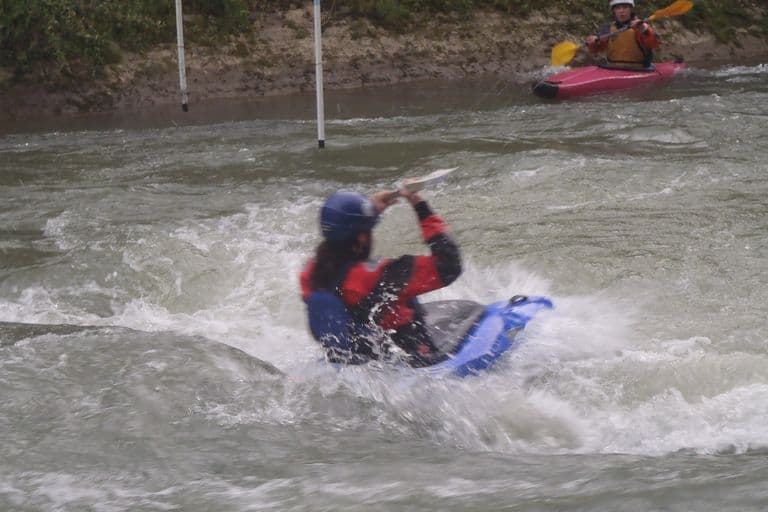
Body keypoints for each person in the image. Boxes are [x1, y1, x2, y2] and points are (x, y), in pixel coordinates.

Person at [300, 185, 462, 367]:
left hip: (353, 363)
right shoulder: (378, 275)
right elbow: (449, 266)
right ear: (361, 238)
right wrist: (420, 206)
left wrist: (370, 210)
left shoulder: (310, 273)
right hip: (408, 361)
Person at [585, 0, 661, 70]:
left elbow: (654, 44)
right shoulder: (608, 28)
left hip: (638, 69)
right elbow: (596, 50)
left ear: (631, 9)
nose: (621, 11)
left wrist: (645, 30)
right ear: (613, 11)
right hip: (613, 68)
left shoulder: (640, 26)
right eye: (618, 8)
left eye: (625, 7)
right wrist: (593, 43)